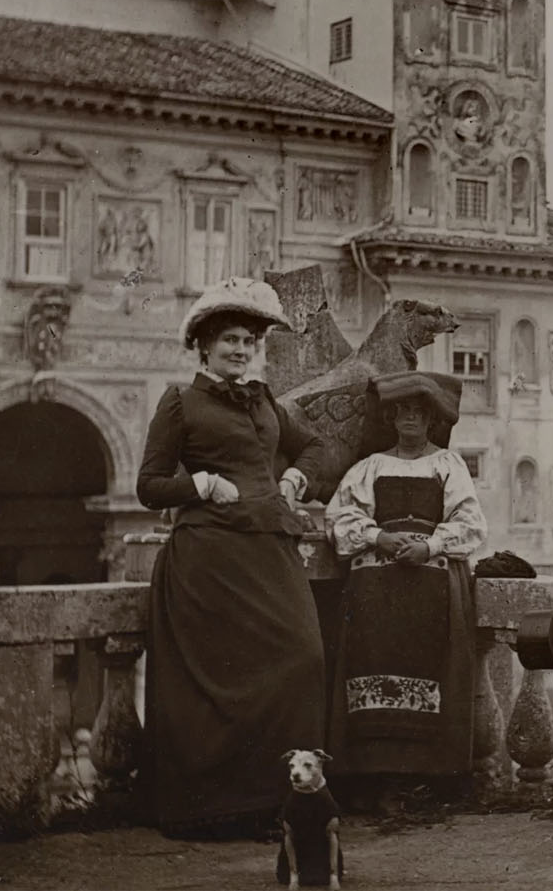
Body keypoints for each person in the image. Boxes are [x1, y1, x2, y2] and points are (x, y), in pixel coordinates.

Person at [136, 277, 330, 839]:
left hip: (269, 552)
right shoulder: (180, 402)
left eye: (249, 340)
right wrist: (199, 484)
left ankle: (277, 798)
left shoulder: (266, 400)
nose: (241, 350)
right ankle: (219, 807)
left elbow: (317, 447)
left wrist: (295, 476)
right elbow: (149, 485)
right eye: (230, 341)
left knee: (304, 657)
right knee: (221, 683)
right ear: (204, 345)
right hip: (208, 561)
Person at [326, 371, 487, 803]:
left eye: (419, 412)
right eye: (402, 412)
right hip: (374, 591)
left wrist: (430, 545)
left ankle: (429, 779)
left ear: (432, 420)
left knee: (434, 669)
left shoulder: (447, 466)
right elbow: (339, 518)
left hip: (431, 582)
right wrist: (379, 537)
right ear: (392, 417)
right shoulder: (370, 467)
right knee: (370, 669)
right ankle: (375, 777)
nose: (410, 419)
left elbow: (471, 525)